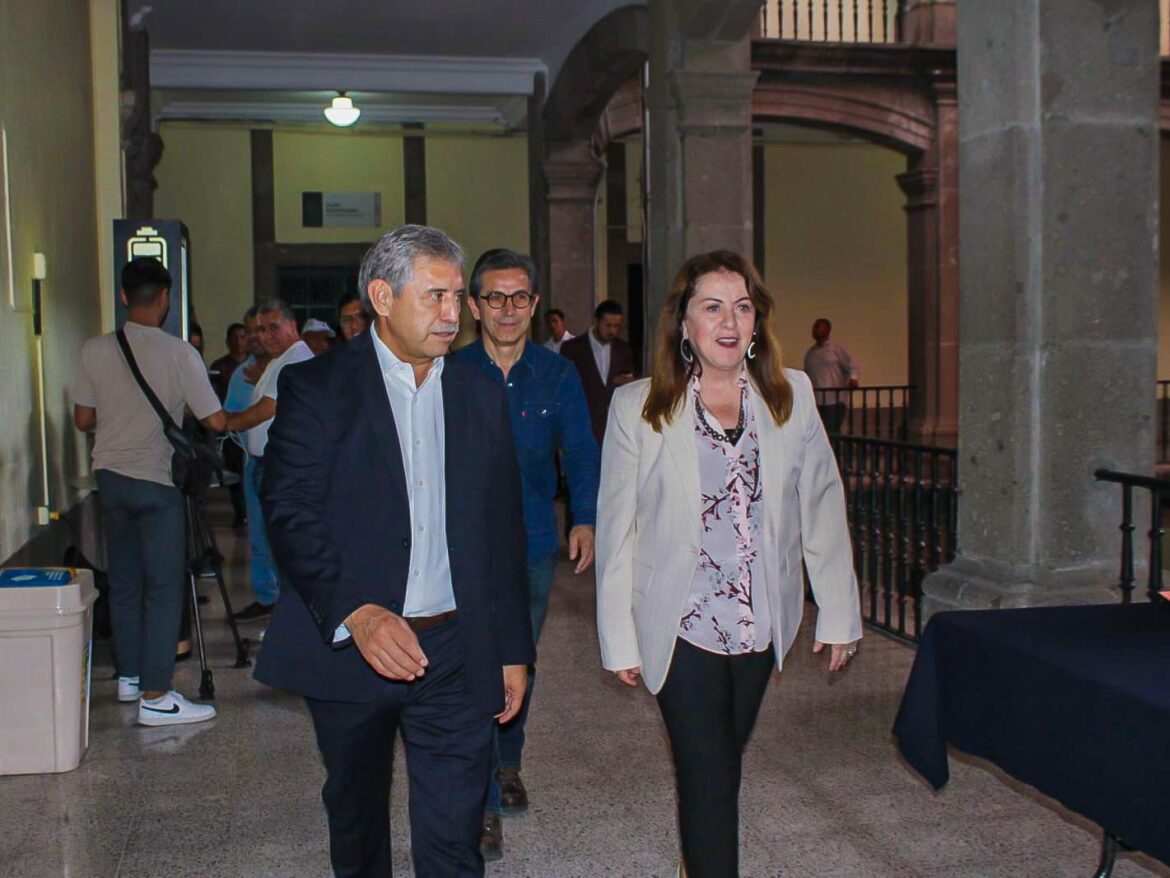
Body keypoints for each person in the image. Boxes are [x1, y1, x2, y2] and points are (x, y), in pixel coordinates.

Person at [254, 225, 533, 878]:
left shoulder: (477, 392)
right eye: (435, 296)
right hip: (358, 647)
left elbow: (501, 530)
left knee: (455, 834)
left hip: (456, 648)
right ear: (383, 297)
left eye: (457, 297)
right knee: (357, 821)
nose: (453, 314)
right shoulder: (319, 386)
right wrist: (357, 612)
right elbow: (289, 512)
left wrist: (512, 648)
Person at [596, 251, 862, 878]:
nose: (729, 321)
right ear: (683, 323)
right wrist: (618, 638)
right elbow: (617, 530)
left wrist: (839, 613)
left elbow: (822, 504)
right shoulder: (639, 406)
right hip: (680, 624)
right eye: (712, 307)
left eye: (742, 307)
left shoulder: (790, 394)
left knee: (719, 763)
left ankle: (696, 859)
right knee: (711, 774)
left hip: (759, 624)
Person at [453, 249, 600, 860]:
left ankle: (508, 762)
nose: (507, 309)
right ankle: (485, 801)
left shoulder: (556, 374)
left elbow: (582, 451)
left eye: (519, 298)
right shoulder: (451, 371)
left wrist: (586, 518)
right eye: (495, 297)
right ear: (474, 306)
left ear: (535, 305)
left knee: (520, 660)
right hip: (465, 546)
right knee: (477, 664)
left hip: (534, 542)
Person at [71, 256, 225, 726]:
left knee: (124, 581)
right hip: (156, 483)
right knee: (162, 588)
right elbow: (215, 420)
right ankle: (157, 696)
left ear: (123, 296)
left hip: (110, 479)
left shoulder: (94, 350)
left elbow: (83, 419)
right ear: (164, 298)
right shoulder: (180, 353)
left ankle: (130, 676)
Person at [223, 300, 313, 619]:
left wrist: (226, 423)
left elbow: (267, 409)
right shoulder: (279, 360)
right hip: (264, 463)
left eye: (274, 327)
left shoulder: (296, 358)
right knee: (268, 541)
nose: (266, 335)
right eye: (261, 329)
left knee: (281, 545)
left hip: (279, 465)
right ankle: (281, 610)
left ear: (293, 325)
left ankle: (290, 615)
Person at [224, 306, 279, 617]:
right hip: (253, 463)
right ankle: (266, 596)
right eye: (250, 331)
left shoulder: (289, 363)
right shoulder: (241, 373)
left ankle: (285, 602)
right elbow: (229, 414)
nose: (256, 337)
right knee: (258, 535)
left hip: (281, 466)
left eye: (262, 330)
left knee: (281, 536)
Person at [560, 299, 636, 445]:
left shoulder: (623, 349)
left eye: (616, 326)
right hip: (581, 430)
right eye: (608, 325)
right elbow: (563, 391)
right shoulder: (572, 349)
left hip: (616, 431)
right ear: (596, 321)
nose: (613, 331)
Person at [803, 317, 859, 434]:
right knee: (819, 433)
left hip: (835, 399)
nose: (814, 330)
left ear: (827, 329)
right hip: (816, 400)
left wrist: (853, 379)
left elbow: (851, 365)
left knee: (832, 431)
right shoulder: (811, 353)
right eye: (814, 327)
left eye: (817, 326)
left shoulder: (837, 349)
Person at [209, 322, 247, 401]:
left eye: (242, 337)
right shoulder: (218, 366)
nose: (238, 342)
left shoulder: (256, 364)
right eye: (234, 338)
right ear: (227, 341)